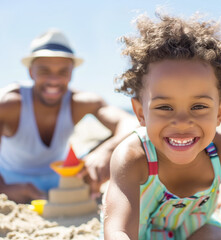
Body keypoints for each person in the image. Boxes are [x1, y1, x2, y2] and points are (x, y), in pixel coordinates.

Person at [103, 13, 221, 240]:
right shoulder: (132, 157)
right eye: (164, 107)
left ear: (220, 112)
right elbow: (118, 231)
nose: (182, 122)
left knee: (216, 236)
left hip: (192, 233)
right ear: (139, 113)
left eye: (199, 106)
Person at [0, 29, 137, 204]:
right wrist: (7, 189)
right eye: (44, 71)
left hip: (61, 179)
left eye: (63, 72)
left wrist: (106, 151)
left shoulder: (80, 101)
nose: (54, 80)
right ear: (30, 72)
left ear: (72, 72)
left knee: (127, 142)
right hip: (12, 180)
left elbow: (132, 123)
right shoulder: (8, 103)